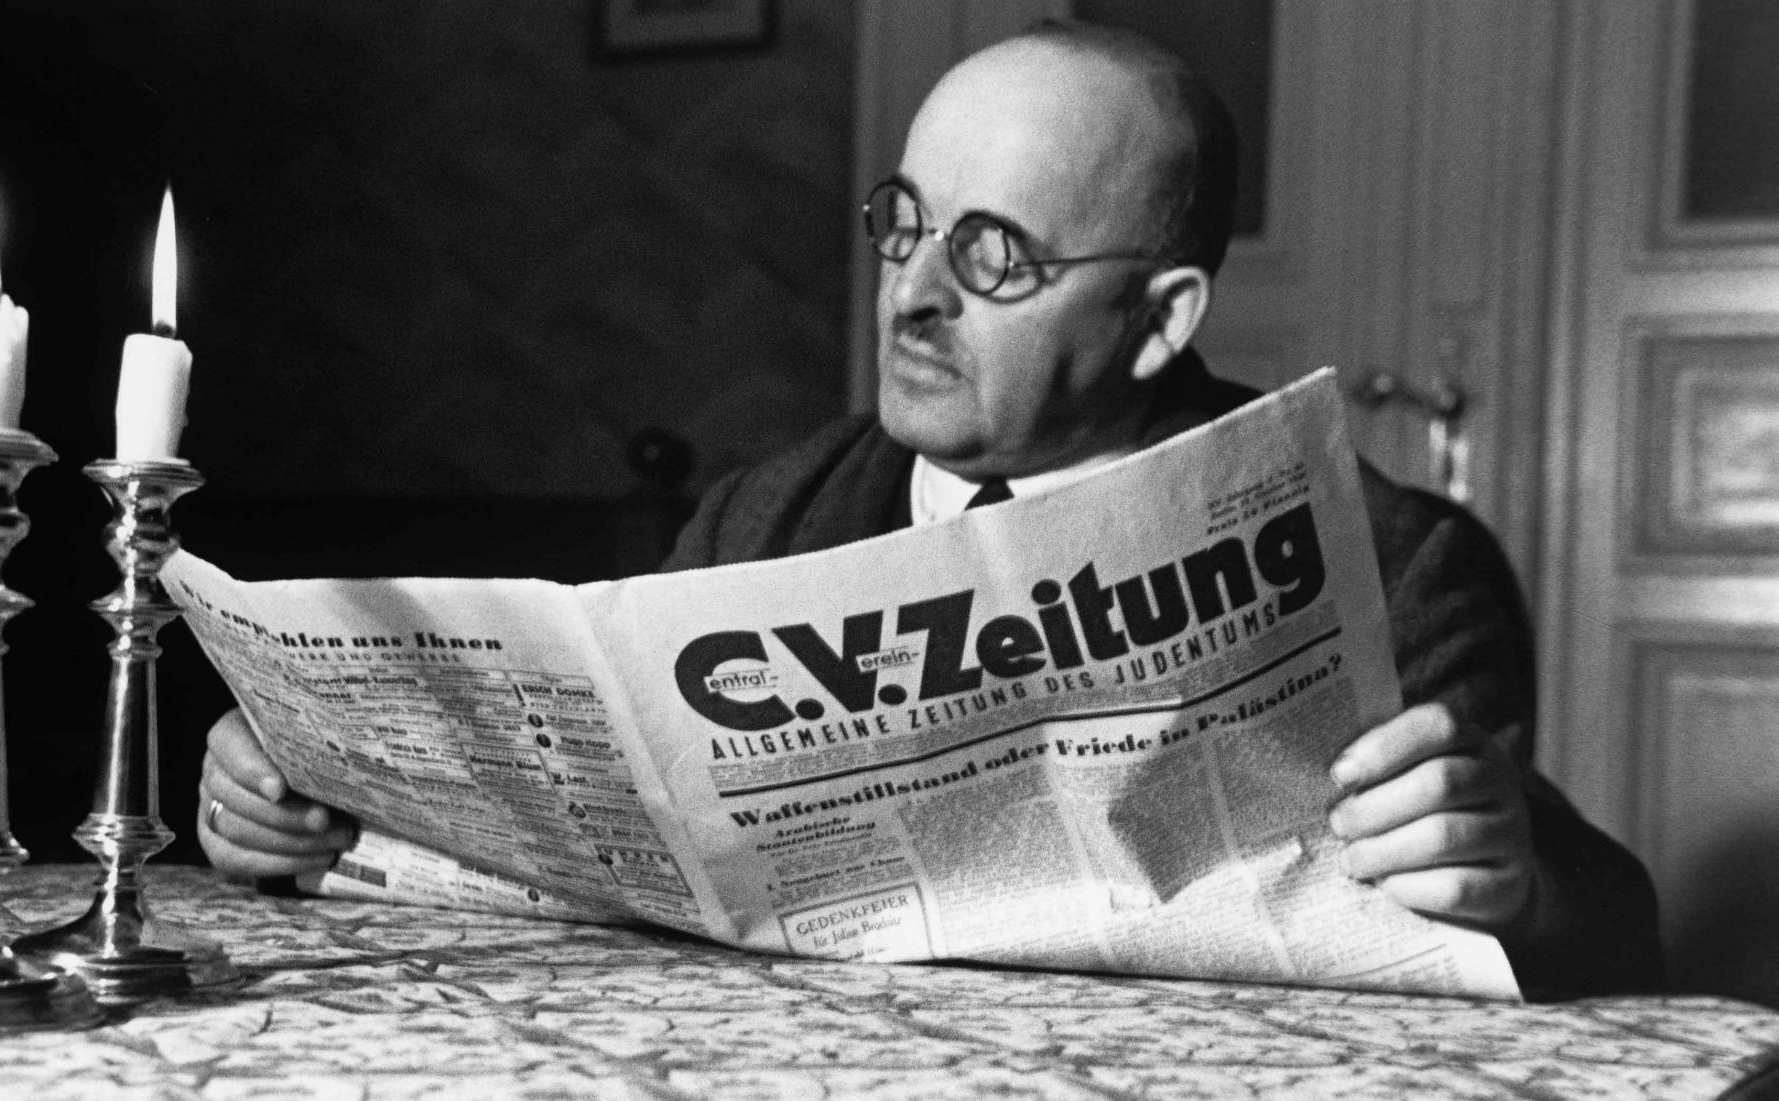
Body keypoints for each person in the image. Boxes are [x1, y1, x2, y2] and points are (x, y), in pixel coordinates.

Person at [197, 21, 1661, 997]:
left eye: (994, 255)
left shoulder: (1391, 558)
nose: (912, 290)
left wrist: (1522, 876)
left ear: (1161, 321)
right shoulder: (767, 519)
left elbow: (1601, 939)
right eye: (904, 223)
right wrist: (306, 793)